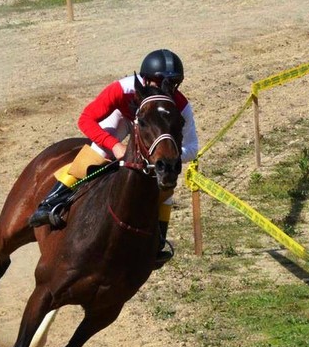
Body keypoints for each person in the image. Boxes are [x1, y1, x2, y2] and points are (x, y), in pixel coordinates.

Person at [28, 49, 200, 266]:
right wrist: (114, 145)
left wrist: (165, 157)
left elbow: (193, 147)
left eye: (170, 83)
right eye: (156, 82)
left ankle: (159, 242)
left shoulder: (180, 105)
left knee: (165, 186)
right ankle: (49, 203)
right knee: (96, 154)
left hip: (153, 132)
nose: (163, 88)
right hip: (124, 117)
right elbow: (86, 119)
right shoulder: (122, 88)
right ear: (144, 79)